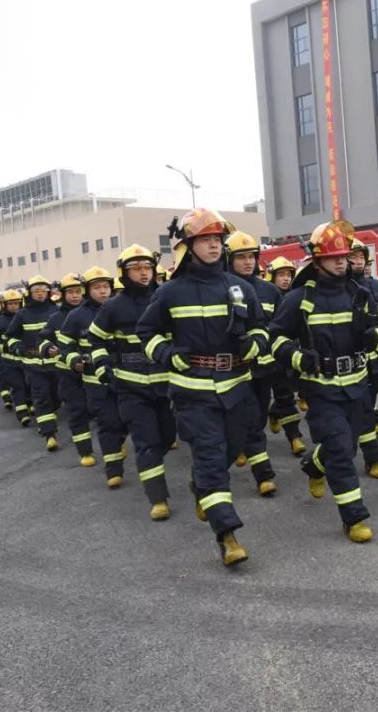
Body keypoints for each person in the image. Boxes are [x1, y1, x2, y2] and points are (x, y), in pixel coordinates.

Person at [136, 208, 266, 566]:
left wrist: (256, 343)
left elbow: (260, 325)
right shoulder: (170, 292)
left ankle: (202, 488)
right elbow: (146, 333)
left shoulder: (239, 287)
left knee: (229, 452)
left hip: (237, 387)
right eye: (205, 240)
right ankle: (228, 536)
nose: (213, 246)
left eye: (216, 240)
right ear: (187, 246)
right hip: (192, 392)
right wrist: (166, 354)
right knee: (210, 456)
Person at [268, 221, 378, 542]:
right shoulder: (297, 300)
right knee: (339, 449)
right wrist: (298, 357)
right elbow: (275, 340)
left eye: (344, 256)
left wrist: (376, 335)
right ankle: (354, 518)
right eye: (334, 256)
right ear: (316, 260)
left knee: (346, 447)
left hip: (358, 385)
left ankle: (314, 466)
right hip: (320, 390)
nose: (341, 261)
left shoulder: (360, 294)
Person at [90, 245, 176, 521]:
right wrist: (104, 368)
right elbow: (95, 340)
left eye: (147, 267)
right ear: (124, 274)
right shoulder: (113, 306)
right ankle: (158, 498)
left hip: (166, 385)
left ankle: (150, 465)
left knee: (167, 437)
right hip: (130, 387)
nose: (143, 273)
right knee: (146, 441)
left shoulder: (164, 299)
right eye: (136, 268)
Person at [59, 266, 129, 487]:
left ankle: (118, 442)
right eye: (97, 288)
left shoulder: (120, 309)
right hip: (95, 382)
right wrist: (73, 360)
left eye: (106, 287)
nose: (103, 292)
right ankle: (114, 471)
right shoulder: (76, 316)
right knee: (108, 422)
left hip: (126, 377)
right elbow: (65, 345)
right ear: (87, 290)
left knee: (125, 421)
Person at [225, 228, 281, 496]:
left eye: (251, 256)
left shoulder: (270, 291)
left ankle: (246, 445)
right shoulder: (221, 288)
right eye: (241, 257)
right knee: (244, 419)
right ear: (229, 260)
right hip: (233, 369)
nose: (248, 262)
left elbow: (280, 326)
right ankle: (262, 471)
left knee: (257, 416)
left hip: (264, 366)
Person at [41, 273, 97, 467]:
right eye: (70, 292)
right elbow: (44, 339)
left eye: (78, 292)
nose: (75, 296)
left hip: (95, 373)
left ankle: (115, 444)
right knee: (78, 412)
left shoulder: (92, 313)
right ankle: (85, 451)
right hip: (68, 375)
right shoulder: (55, 318)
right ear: (62, 294)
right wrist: (48, 348)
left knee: (104, 412)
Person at [346, 237, 378, 478]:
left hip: (372, 361)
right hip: (343, 367)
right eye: (353, 256)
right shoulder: (338, 289)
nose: (358, 260)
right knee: (353, 415)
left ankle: (373, 460)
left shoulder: (373, 289)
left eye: (361, 256)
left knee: (367, 408)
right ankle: (349, 455)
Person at [5, 277, 61, 450]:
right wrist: (17, 348)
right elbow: (11, 336)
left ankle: (50, 416)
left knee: (56, 396)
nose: (39, 293)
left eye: (43, 290)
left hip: (56, 363)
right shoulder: (23, 314)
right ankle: (49, 433)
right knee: (41, 397)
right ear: (30, 293)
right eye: (36, 290)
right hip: (33, 364)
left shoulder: (56, 311)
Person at [264, 256, 307, 456]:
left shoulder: (296, 296)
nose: (286, 279)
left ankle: (281, 422)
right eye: (281, 275)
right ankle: (290, 433)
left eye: (289, 274)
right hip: (264, 356)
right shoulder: (264, 295)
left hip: (288, 355)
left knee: (287, 394)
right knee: (279, 396)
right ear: (271, 276)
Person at [0, 289, 33, 425]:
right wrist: (4, 348)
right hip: (9, 361)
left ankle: (30, 405)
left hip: (26, 359)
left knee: (29, 385)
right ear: (5, 305)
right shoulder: (0, 321)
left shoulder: (26, 316)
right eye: (10, 304)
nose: (14, 306)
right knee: (17, 386)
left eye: (16, 303)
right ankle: (22, 414)